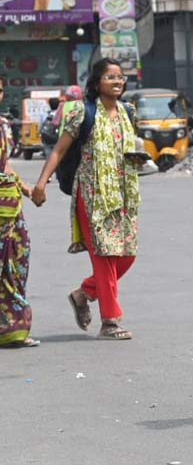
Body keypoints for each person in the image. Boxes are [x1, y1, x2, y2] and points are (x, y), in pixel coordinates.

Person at [31, 58, 142, 340]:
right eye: (110, 77)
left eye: (120, 77)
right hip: (92, 195)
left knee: (126, 255)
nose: (117, 81)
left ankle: (83, 294)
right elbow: (59, 150)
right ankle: (110, 322)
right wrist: (41, 184)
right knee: (104, 257)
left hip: (123, 195)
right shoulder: (83, 112)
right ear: (96, 82)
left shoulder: (128, 111)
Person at [0, 78, 37, 349]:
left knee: (14, 261)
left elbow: (5, 165)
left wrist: (27, 189)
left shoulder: (3, 125)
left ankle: (10, 329)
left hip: (9, 206)